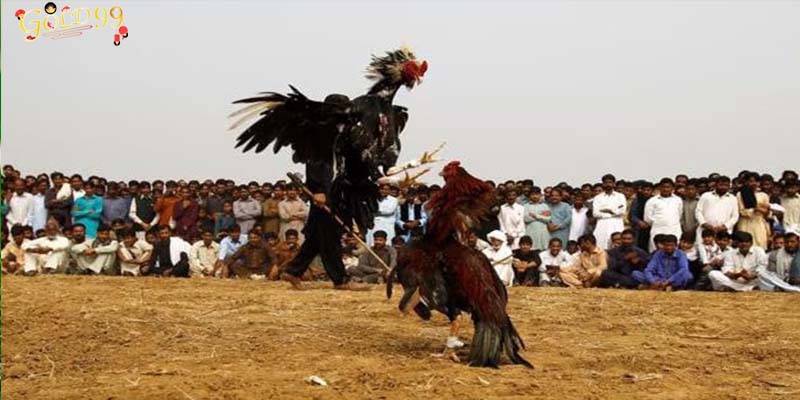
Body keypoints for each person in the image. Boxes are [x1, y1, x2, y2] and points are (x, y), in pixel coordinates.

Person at [695, 176, 739, 243]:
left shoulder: (732, 198)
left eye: (726, 185)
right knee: (704, 251)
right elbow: (698, 211)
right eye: (721, 185)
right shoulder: (706, 196)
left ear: (729, 186)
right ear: (715, 185)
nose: (723, 187)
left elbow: (735, 216)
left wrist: (725, 226)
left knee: (723, 252)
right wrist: (705, 224)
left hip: (724, 232)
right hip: (705, 231)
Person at [644, 178, 683, 252]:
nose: (665, 189)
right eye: (663, 187)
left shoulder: (678, 200)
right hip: (658, 230)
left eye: (668, 187)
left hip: (674, 230)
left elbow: (679, 214)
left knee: (674, 252)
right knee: (656, 252)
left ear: (672, 188)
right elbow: (647, 218)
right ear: (659, 188)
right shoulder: (652, 201)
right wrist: (660, 222)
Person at [591, 174, 627, 250]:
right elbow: (595, 214)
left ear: (614, 183)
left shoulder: (620, 196)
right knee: (601, 247)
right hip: (602, 225)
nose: (608, 184)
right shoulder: (598, 197)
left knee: (618, 248)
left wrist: (608, 211)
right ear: (603, 184)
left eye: (610, 182)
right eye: (606, 182)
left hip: (616, 224)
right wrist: (613, 212)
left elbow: (622, 212)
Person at [736, 173, 771, 249]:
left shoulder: (763, 195)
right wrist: (757, 208)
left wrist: (761, 209)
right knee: (745, 245)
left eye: (756, 181)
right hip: (745, 223)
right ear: (746, 182)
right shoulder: (740, 194)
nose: (754, 183)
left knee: (760, 246)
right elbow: (742, 211)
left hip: (759, 223)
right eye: (751, 181)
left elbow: (767, 211)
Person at [629, 181, 654, 251]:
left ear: (652, 191)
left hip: (652, 228)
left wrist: (649, 223)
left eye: (648, 190)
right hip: (639, 229)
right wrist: (639, 222)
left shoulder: (655, 200)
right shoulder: (636, 200)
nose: (646, 192)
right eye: (644, 190)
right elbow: (632, 215)